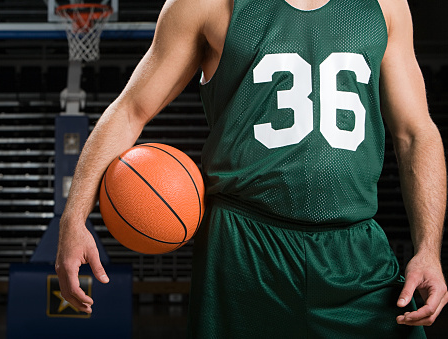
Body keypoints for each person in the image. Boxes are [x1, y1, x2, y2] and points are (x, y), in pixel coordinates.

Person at [55, 0, 448, 336]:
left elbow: (416, 133)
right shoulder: (205, 4)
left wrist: (429, 249)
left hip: (353, 250)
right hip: (244, 246)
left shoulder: (385, 6)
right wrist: (73, 221)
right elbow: (129, 111)